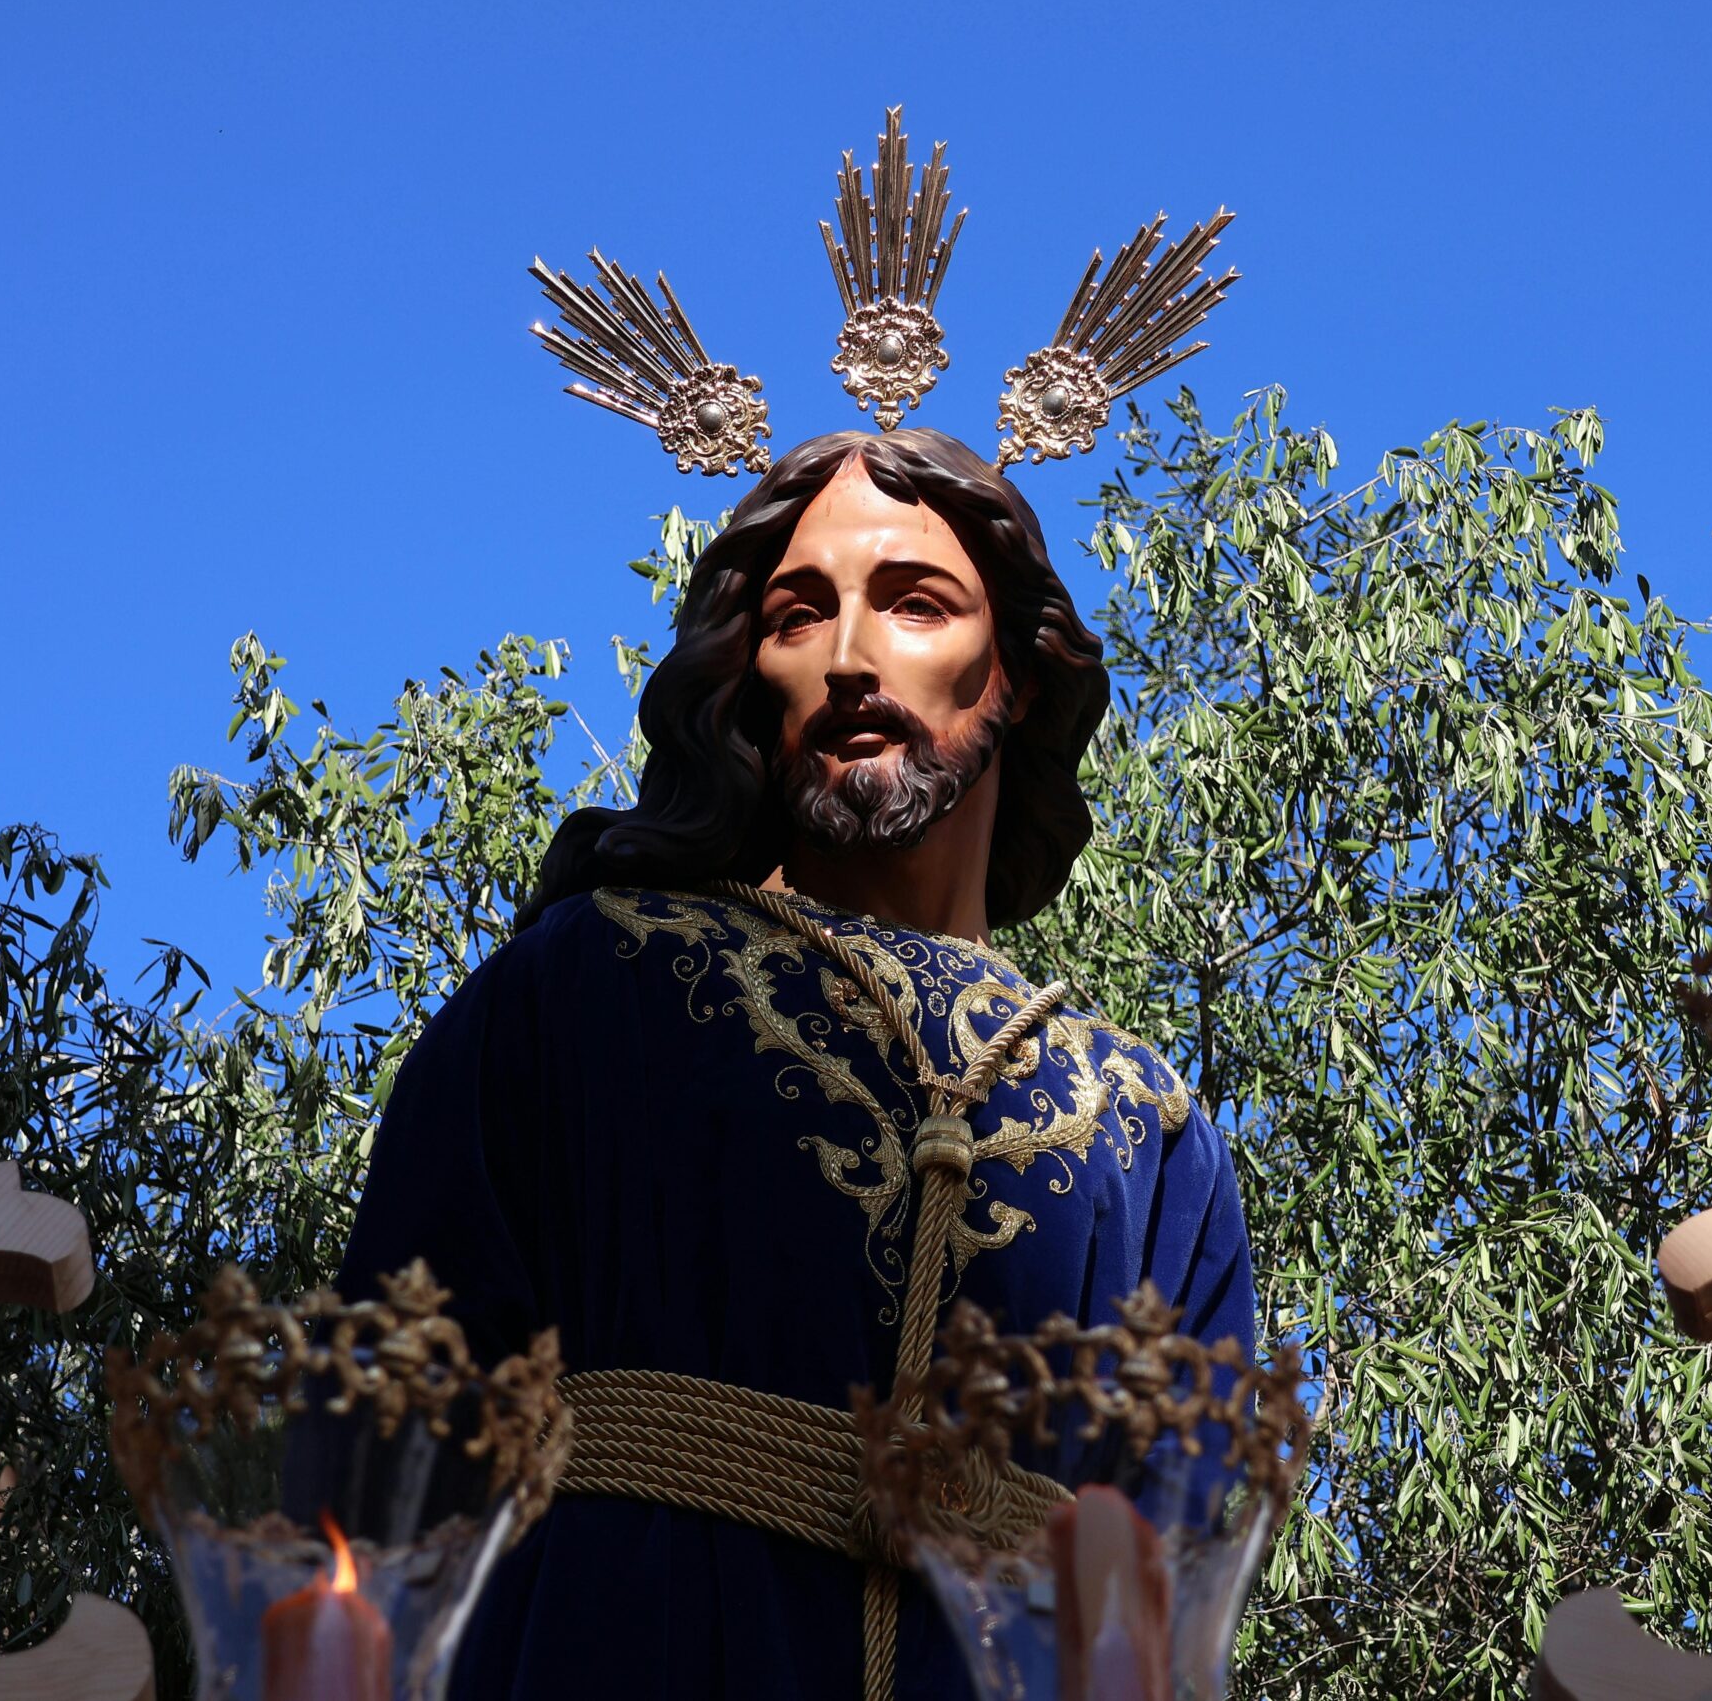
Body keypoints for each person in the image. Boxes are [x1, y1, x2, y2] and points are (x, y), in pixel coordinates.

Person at [337, 426, 1256, 1700]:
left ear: (1019, 675)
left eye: (916, 604)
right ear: (744, 672)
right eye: (796, 616)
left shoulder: (1148, 1124)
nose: (849, 659)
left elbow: (1182, 1568)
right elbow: (380, 1454)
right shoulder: (587, 983)